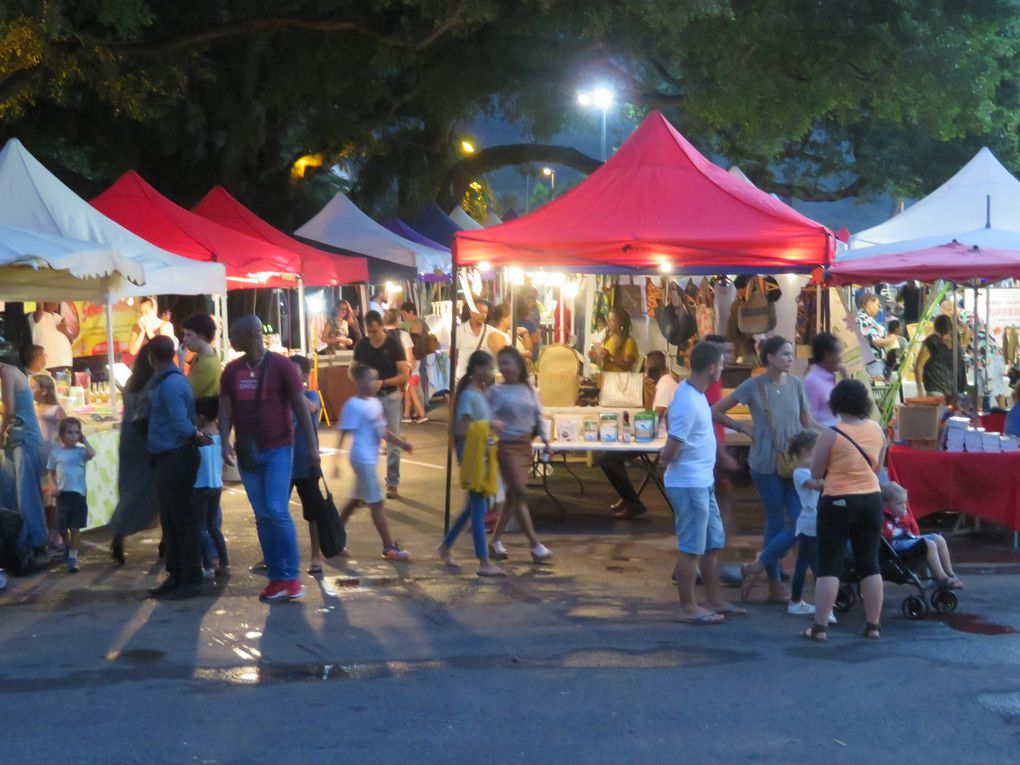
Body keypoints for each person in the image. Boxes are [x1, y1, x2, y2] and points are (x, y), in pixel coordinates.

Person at [220, 315, 318, 602]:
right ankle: (277, 577)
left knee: (276, 510)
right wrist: (225, 439)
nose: (231, 339)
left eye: (235, 332)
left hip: (278, 448)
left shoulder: (281, 366)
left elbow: (300, 406)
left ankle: (291, 578)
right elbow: (225, 405)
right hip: (249, 452)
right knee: (263, 516)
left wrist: (312, 446)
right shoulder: (232, 371)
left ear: (252, 333)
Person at [713, 336, 814, 602]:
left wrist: (835, 434)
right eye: (785, 354)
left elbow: (807, 421)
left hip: (793, 464)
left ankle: (755, 566)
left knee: (801, 519)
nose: (790, 359)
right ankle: (774, 583)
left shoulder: (795, 384)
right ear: (769, 357)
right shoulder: (754, 385)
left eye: (791, 354)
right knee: (776, 520)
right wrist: (741, 427)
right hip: (765, 462)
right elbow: (716, 410)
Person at [661, 341, 743, 623]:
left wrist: (737, 427)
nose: (723, 368)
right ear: (711, 367)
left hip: (701, 481)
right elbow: (672, 448)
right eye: (721, 363)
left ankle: (713, 599)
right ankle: (688, 606)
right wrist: (666, 458)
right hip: (688, 483)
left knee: (711, 543)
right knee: (692, 547)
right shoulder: (685, 401)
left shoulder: (695, 394)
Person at [803, 379, 887, 642]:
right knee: (870, 564)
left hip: (837, 499)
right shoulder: (877, 429)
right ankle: (873, 625)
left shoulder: (832, 433)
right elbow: (877, 466)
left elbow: (816, 472)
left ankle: (820, 628)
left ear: (836, 403)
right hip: (871, 499)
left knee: (830, 564)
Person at [438, 350, 506, 577]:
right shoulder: (469, 396)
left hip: (480, 455)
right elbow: (460, 428)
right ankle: (483, 561)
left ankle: (446, 547)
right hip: (472, 456)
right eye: (488, 368)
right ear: (478, 369)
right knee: (478, 508)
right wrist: (489, 424)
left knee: (472, 508)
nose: (491, 372)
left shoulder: (478, 393)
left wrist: (489, 426)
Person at [146, 336, 204, 600]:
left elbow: (181, 424)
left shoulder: (170, 385)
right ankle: (178, 573)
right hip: (171, 455)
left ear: (151, 357)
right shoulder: (174, 380)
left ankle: (190, 578)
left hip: (175, 456)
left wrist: (194, 435)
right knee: (171, 519)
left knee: (180, 519)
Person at [338, 365, 414, 560]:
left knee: (355, 500)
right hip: (361, 459)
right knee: (377, 503)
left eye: (377, 379)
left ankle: (333, 538)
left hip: (368, 459)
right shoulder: (353, 405)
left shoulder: (375, 403)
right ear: (360, 382)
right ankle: (388, 547)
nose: (375, 383)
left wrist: (402, 444)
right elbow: (344, 432)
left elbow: (383, 431)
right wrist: (336, 462)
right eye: (371, 379)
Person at [487, 346, 552, 563]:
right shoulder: (496, 392)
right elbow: (484, 417)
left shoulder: (528, 388)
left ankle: (495, 541)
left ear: (518, 364)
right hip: (505, 446)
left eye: (508, 362)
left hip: (525, 446)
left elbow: (538, 414)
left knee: (514, 496)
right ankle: (535, 545)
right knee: (521, 493)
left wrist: (545, 439)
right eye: (501, 363)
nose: (504, 367)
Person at [599, 350, 677, 519]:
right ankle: (627, 497)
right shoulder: (662, 384)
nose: (645, 373)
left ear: (654, 370)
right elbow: (650, 414)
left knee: (608, 459)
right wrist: (649, 394)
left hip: (658, 439)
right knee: (610, 455)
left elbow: (653, 420)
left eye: (647, 369)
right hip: (651, 435)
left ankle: (632, 501)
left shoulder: (666, 385)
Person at [109, 348, 160, 565]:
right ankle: (165, 543)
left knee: (129, 492)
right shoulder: (156, 382)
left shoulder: (130, 382)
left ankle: (118, 535)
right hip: (149, 442)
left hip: (129, 442)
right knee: (158, 491)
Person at [353, 310, 411, 498]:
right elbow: (351, 369)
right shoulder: (362, 345)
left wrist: (384, 383)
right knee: (367, 441)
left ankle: (392, 482)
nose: (373, 336)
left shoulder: (394, 345)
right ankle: (365, 484)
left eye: (376, 331)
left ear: (382, 326)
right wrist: (361, 384)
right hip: (370, 399)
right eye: (369, 332)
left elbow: (404, 374)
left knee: (392, 440)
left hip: (391, 396)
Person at [0, 358, 48, 564]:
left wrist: (0, 432)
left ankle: (37, 544)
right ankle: (13, 544)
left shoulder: (7, 372)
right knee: (7, 493)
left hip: (25, 439)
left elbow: (10, 410)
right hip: (14, 440)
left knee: (26, 495)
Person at [784, 431, 834, 622]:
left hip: (817, 522)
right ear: (806, 451)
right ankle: (796, 601)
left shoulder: (809, 470)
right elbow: (819, 485)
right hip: (809, 523)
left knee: (816, 564)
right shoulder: (800, 472)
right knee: (804, 564)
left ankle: (818, 603)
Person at [881, 482, 962, 589]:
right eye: (899, 503)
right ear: (886, 504)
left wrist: (902, 517)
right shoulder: (883, 517)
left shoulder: (900, 515)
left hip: (907, 538)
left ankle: (950, 573)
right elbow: (889, 535)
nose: (904, 506)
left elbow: (911, 530)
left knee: (938, 539)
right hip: (895, 544)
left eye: (905, 502)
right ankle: (941, 577)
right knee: (929, 544)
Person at [289, 355, 328, 575]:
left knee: (312, 513)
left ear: (305, 376)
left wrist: (294, 389)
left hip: (306, 463)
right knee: (275, 511)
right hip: (284, 462)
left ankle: (316, 555)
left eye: (293, 373)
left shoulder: (310, 395)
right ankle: (271, 555)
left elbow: (312, 408)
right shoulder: (283, 397)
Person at [47, 417, 95, 573]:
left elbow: (91, 453)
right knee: (61, 526)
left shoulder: (81, 451)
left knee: (75, 527)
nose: (74, 436)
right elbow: (51, 472)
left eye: (77, 432)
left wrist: (84, 440)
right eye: (70, 432)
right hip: (62, 495)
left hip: (78, 494)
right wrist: (53, 486)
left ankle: (73, 558)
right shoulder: (56, 453)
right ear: (61, 435)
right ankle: (67, 543)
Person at [31, 374, 66, 552]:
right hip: (40, 460)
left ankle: (57, 534)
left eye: (33, 388)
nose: (30, 391)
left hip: (51, 461)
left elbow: (66, 431)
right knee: (46, 498)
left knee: (52, 498)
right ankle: (50, 532)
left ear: (44, 391)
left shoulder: (55, 410)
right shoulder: (33, 408)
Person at [194, 396, 228, 579]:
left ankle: (207, 565)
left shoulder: (201, 439)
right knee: (214, 526)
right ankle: (224, 562)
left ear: (200, 416)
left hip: (200, 486)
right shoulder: (220, 437)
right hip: (216, 485)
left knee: (201, 527)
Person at [384, 308, 425, 425]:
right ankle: (411, 414)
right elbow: (409, 359)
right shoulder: (404, 335)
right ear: (397, 320)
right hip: (399, 373)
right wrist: (409, 371)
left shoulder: (379, 334)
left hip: (384, 373)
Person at [914, 314, 966, 399]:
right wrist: (920, 391)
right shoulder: (932, 342)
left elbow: (918, 367)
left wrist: (920, 390)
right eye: (940, 333)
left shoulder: (954, 342)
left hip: (951, 391)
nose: (943, 337)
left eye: (946, 333)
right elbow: (918, 367)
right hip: (940, 391)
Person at [803, 333, 843, 428]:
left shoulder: (829, 376)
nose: (841, 357)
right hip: (823, 436)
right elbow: (808, 419)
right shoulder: (813, 381)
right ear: (828, 355)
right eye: (838, 353)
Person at [856, 292, 898, 377]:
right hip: (872, 363)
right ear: (869, 304)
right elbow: (875, 341)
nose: (879, 308)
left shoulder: (867, 319)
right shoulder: (863, 319)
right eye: (877, 304)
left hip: (873, 362)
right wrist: (891, 339)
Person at [180, 313, 221, 398]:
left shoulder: (206, 363)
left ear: (202, 336)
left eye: (189, 335)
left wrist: (181, 361)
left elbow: (183, 392)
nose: (184, 339)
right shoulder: (203, 356)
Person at [589, 306, 639, 373]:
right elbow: (603, 359)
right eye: (608, 320)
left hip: (620, 380)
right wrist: (595, 356)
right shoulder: (608, 338)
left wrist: (609, 357)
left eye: (612, 320)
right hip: (607, 378)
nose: (609, 323)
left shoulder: (629, 342)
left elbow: (627, 365)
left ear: (621, 323)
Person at [29, 302, 74, 372]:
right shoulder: (36, 316)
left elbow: (71, 341)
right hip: (48, 365)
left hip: (65, 363)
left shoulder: (59, 317)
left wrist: (65, 331)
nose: (57, 302)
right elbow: (39, 309)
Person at [454, 299, 492, 381]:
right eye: (480, 312)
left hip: (483, 380)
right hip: (462, 379)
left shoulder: (491, 332)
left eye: (485, 312)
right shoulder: (459, 331)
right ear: (471, 312)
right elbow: (453, 355)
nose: (483, 315)